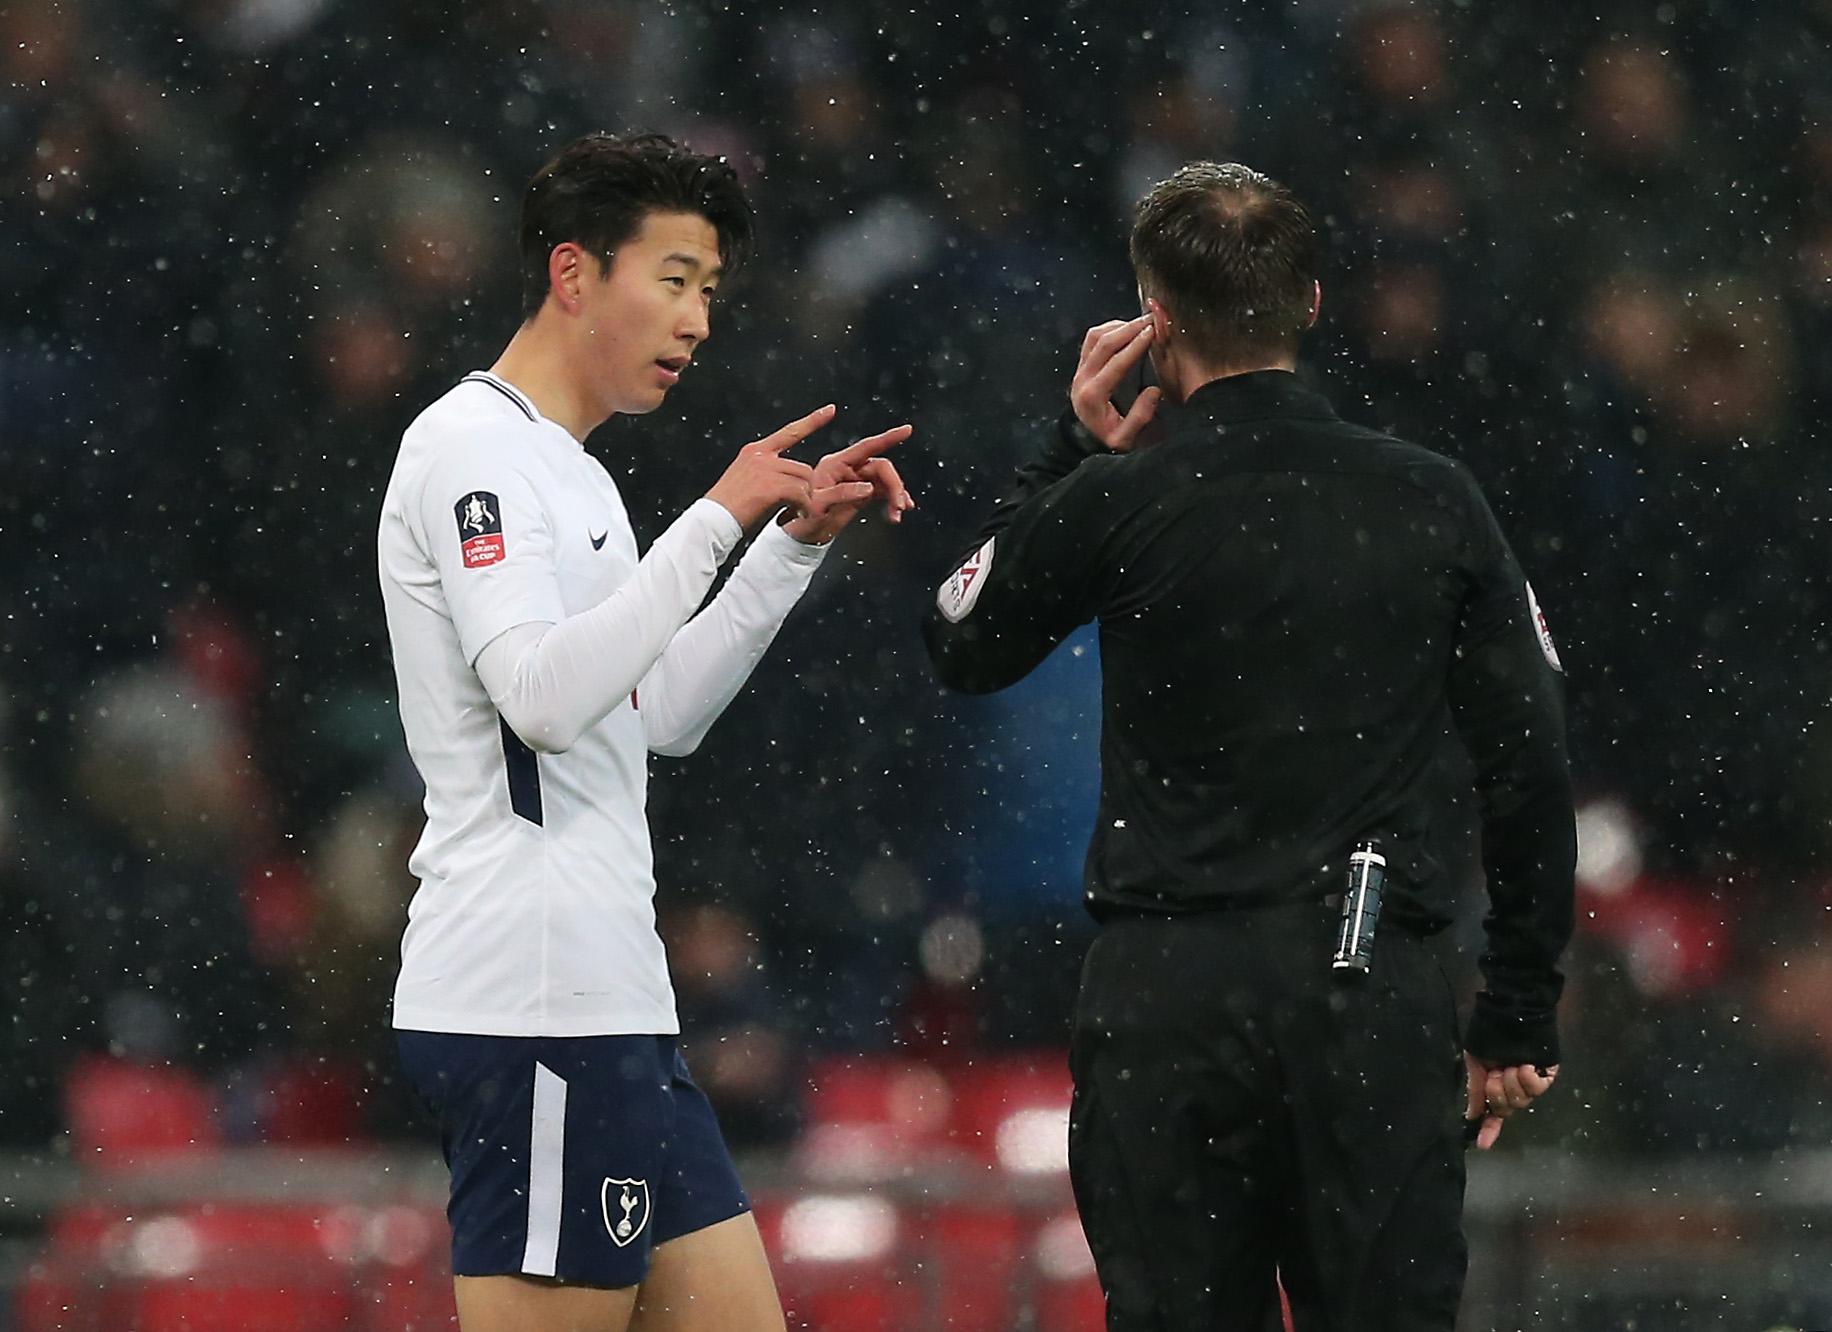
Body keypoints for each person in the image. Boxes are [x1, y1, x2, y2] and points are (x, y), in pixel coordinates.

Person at [921, 162, 1574, 1330]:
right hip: (1365, 984)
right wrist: (1517, 1009)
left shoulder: (1122, 497)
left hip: (1168, 996)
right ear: (1312, 302)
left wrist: (1066, 449)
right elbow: (1527, 760)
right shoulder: (1430, 498)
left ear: (1152, 320)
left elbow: (959, 637)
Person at [378, 131, 912, 1332]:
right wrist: (719, 513)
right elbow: (541, 696)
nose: (698, 321)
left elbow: (649, 718)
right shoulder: (472, 449)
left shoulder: (574, 474)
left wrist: (782, 549)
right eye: (673, 280)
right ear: (574, 276)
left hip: (613, 1006)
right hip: (533, 1005)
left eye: (709, 292)